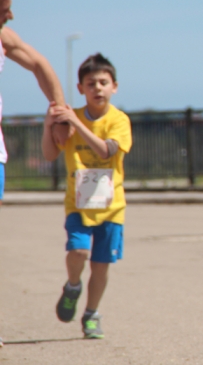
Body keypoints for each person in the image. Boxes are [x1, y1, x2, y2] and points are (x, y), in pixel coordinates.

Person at [0, 0, 70, 348]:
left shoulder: (3, 38)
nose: (9, 18)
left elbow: (41, 65)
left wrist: (59, 112)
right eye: (3, 11)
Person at [42, 53, 132, 340]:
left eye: (104, 83)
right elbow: (49, 153)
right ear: (80, 88)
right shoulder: (70, 119)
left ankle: (91, 313)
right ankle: (72, 286)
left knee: (101, 264)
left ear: (114, 86)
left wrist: (77, 125)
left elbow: (106, 151)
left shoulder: (119, 120)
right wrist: (49, 126)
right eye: (91, 83)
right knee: (79, 252)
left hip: (111, 206)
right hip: (78, 204)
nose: (98, 88)